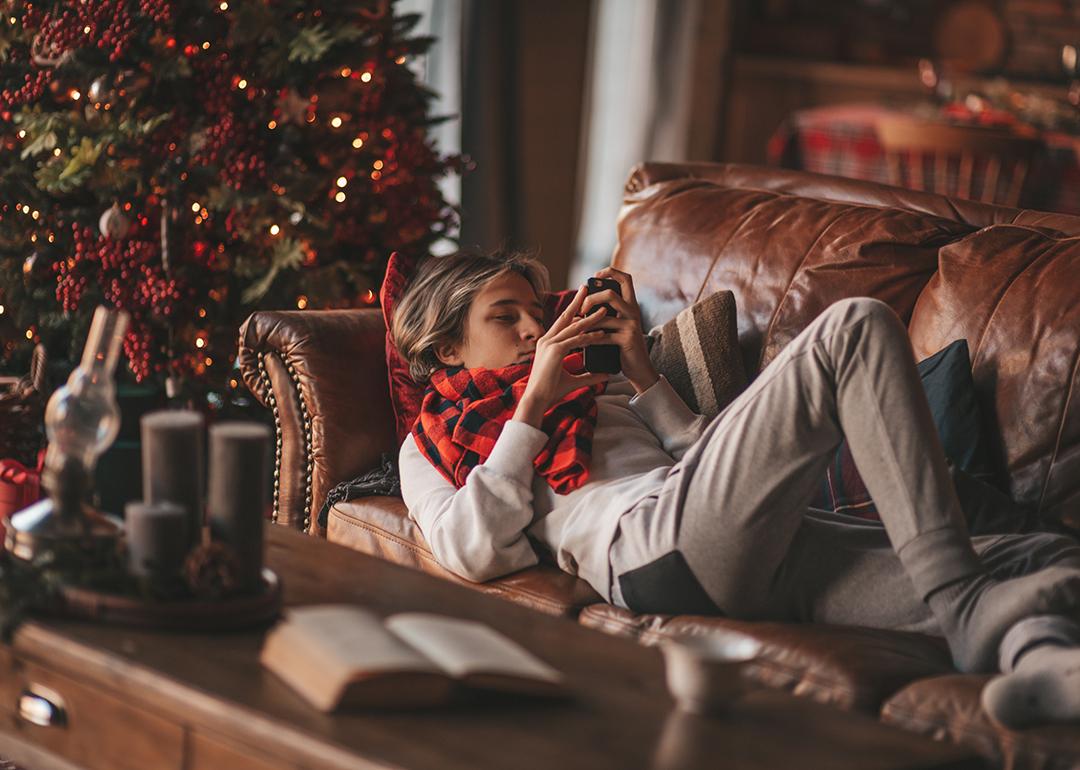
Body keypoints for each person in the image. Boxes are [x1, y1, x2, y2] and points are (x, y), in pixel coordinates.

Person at [390, 248, 1080, 729]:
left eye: (534, 310)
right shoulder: (429, 441)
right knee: (856, 325)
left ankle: (1041, 669)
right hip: (651, 553)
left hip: (761, 547)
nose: (534, 327)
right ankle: (962, 606)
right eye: (505, 316)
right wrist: (531, 409)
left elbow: (719, 464)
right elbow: (470, 549)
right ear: (447, 347)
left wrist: (640, 373)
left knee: (1039, 555)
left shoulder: (598, 398)